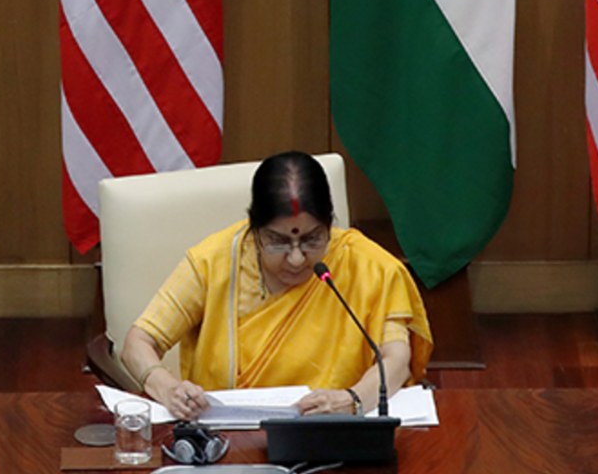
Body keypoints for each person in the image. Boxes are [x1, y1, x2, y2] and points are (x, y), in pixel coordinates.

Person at [120, 151, 432, 418]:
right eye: (278, 242)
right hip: (228, 444)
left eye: (312, 239)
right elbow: (138, 342)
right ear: (253, 230)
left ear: (330, 225)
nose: (297, 259)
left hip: (333, 433)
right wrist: (167, 388)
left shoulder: (371, 267)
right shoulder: (212, 264)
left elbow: (396, 358)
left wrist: (352, 400)